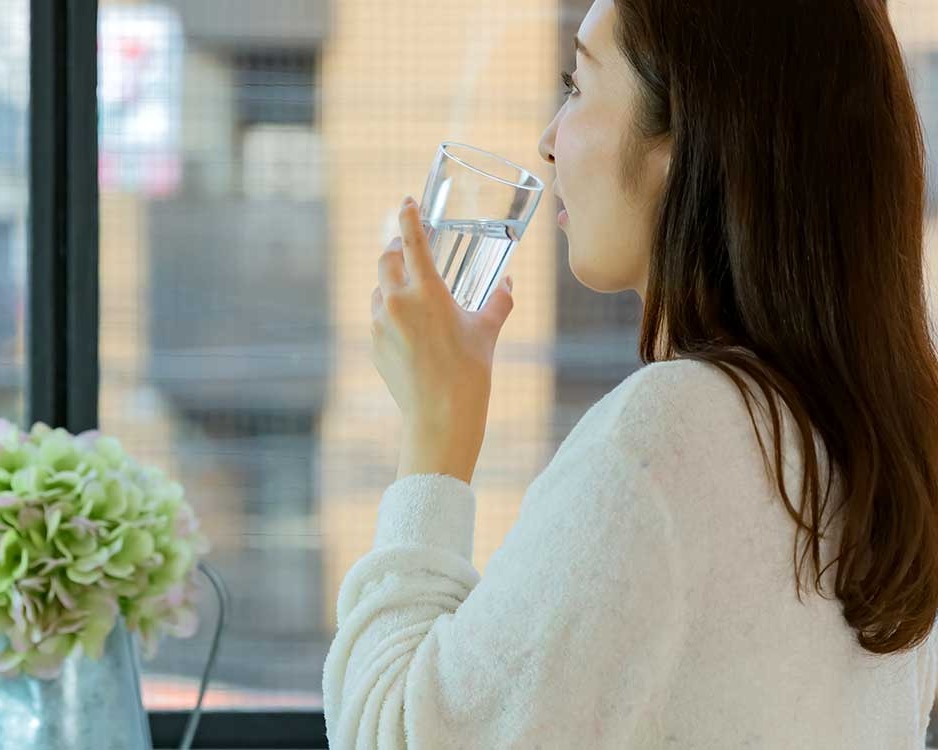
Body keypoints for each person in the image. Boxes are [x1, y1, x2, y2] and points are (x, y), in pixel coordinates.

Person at [323, 0, 938, 746]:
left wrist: (433, 434)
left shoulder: (668, 436)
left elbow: (399, 733)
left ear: (683, 138)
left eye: (576, 86)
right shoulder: (878, 442)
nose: (548, 143)